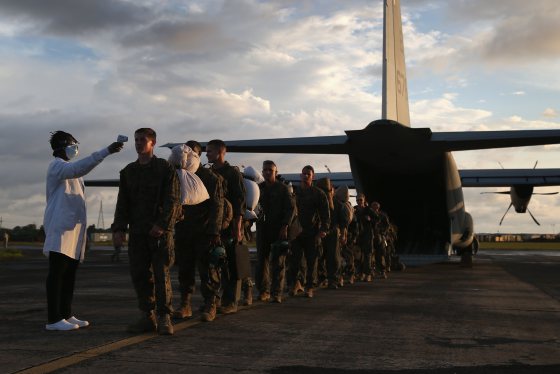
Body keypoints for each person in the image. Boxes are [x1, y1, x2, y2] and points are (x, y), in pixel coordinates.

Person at [43, 130, 122, 331]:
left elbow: (77, 171)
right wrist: (105, 152)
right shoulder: (57, 166)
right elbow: (80, 168)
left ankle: (66, 314)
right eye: (72, 144)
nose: (75, 148)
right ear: (62, 146)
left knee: (69, 274)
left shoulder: (69, 170)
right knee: (57, 274)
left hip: (73, 232)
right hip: (60, 231)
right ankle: (53, 319)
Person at [112, 128, 180, 335]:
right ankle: (147, 316)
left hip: (159, 232)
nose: (138, 143)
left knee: (161, 274)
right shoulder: (128, 172)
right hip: (138, 232)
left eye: (143, 140)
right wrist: (119, 228)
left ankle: (164, 316)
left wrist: (162, 224)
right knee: (140, 275)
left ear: (153, 142)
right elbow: (122, 202)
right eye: (136, 140)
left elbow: (173, 199)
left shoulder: (165, 169)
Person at [173, 141, 225, 322]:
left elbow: (218, 207)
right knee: (184, 270)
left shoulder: (211, 178)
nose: (186, 156)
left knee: (208, 270)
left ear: (198, 155)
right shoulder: (177, 175)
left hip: (204, 231)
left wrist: (214, 232)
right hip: (183, 230)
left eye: (191, 153)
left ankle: (210, 303)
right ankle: (185, 304)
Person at [206, 139, 250, 314]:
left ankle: (231, 301)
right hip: (213, 225)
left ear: (220, 152)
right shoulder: (208, 172)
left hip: (229, 224)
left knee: (232, 263)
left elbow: (240, 200)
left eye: (210, 151)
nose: (207, 154)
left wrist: (238, 226)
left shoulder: (232, 173)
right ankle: (216, 299)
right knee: (215, 263)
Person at [255, 160, 295, 303]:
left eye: (270, 170)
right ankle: (263, 291)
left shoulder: (283, 189)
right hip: (262, 229)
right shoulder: (258, 188)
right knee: (261, 261)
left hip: (278, 230)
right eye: (264, 170)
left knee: (278, 262)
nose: (266, 172)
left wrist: (285, 226)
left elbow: (291, 209)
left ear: (275, 172)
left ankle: (277, 292)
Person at [287, 165, 330, 298]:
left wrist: (323, 230)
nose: (305, 176)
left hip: (312, 233)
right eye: (303, 174)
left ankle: (309, 287)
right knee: (295, 261)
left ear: (313, 177)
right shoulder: (295, 193)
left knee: (312, 262)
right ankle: (296, 284)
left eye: (308, 174)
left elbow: (325, 214)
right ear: (300, 176)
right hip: (296, 233)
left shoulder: (319, 194)